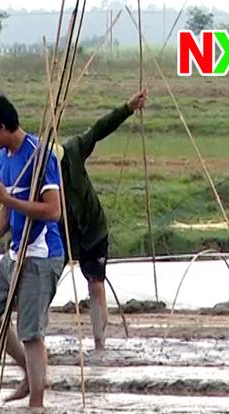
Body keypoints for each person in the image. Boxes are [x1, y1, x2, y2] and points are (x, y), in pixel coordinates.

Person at [0, 93, 65, 408]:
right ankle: (30, 370)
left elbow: (53, 211)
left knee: (31, 332)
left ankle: (36, 402)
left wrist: (6, 200)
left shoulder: (39, 155)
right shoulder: (3, 158)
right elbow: (7, 215)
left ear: (2, 126)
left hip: (41, 254)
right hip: (14, 253)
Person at [54, 89, 148, 350]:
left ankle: (99, 343)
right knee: (45, 281)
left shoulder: (73, 150)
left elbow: (100, 128)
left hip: (92, 229)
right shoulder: (39, 174)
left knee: (96, 283)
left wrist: (128, 107)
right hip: (61, 233)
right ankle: (35, 337)